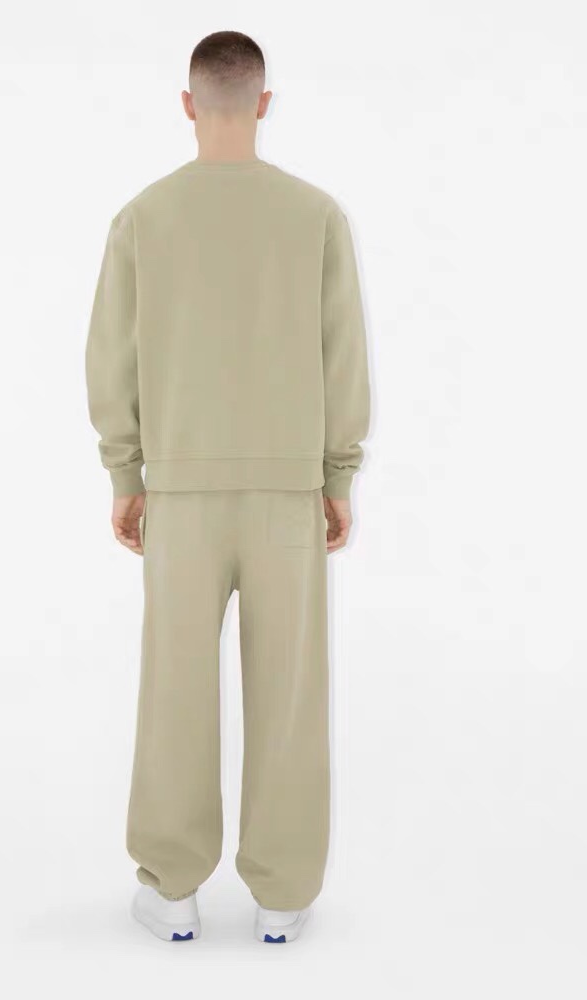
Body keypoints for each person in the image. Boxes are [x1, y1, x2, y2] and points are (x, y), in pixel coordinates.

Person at [85, 30, 370, 944]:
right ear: (264, 103)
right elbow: (342, 356)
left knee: (174, 690)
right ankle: (282, 895)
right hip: (287, 493)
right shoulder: (315, 216)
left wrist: (126, 472)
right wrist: (336, 474)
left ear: (187, 104)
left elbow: (110, 358)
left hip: (181, 493)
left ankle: (172, 889)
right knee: (290, 697)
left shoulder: (142, 218)